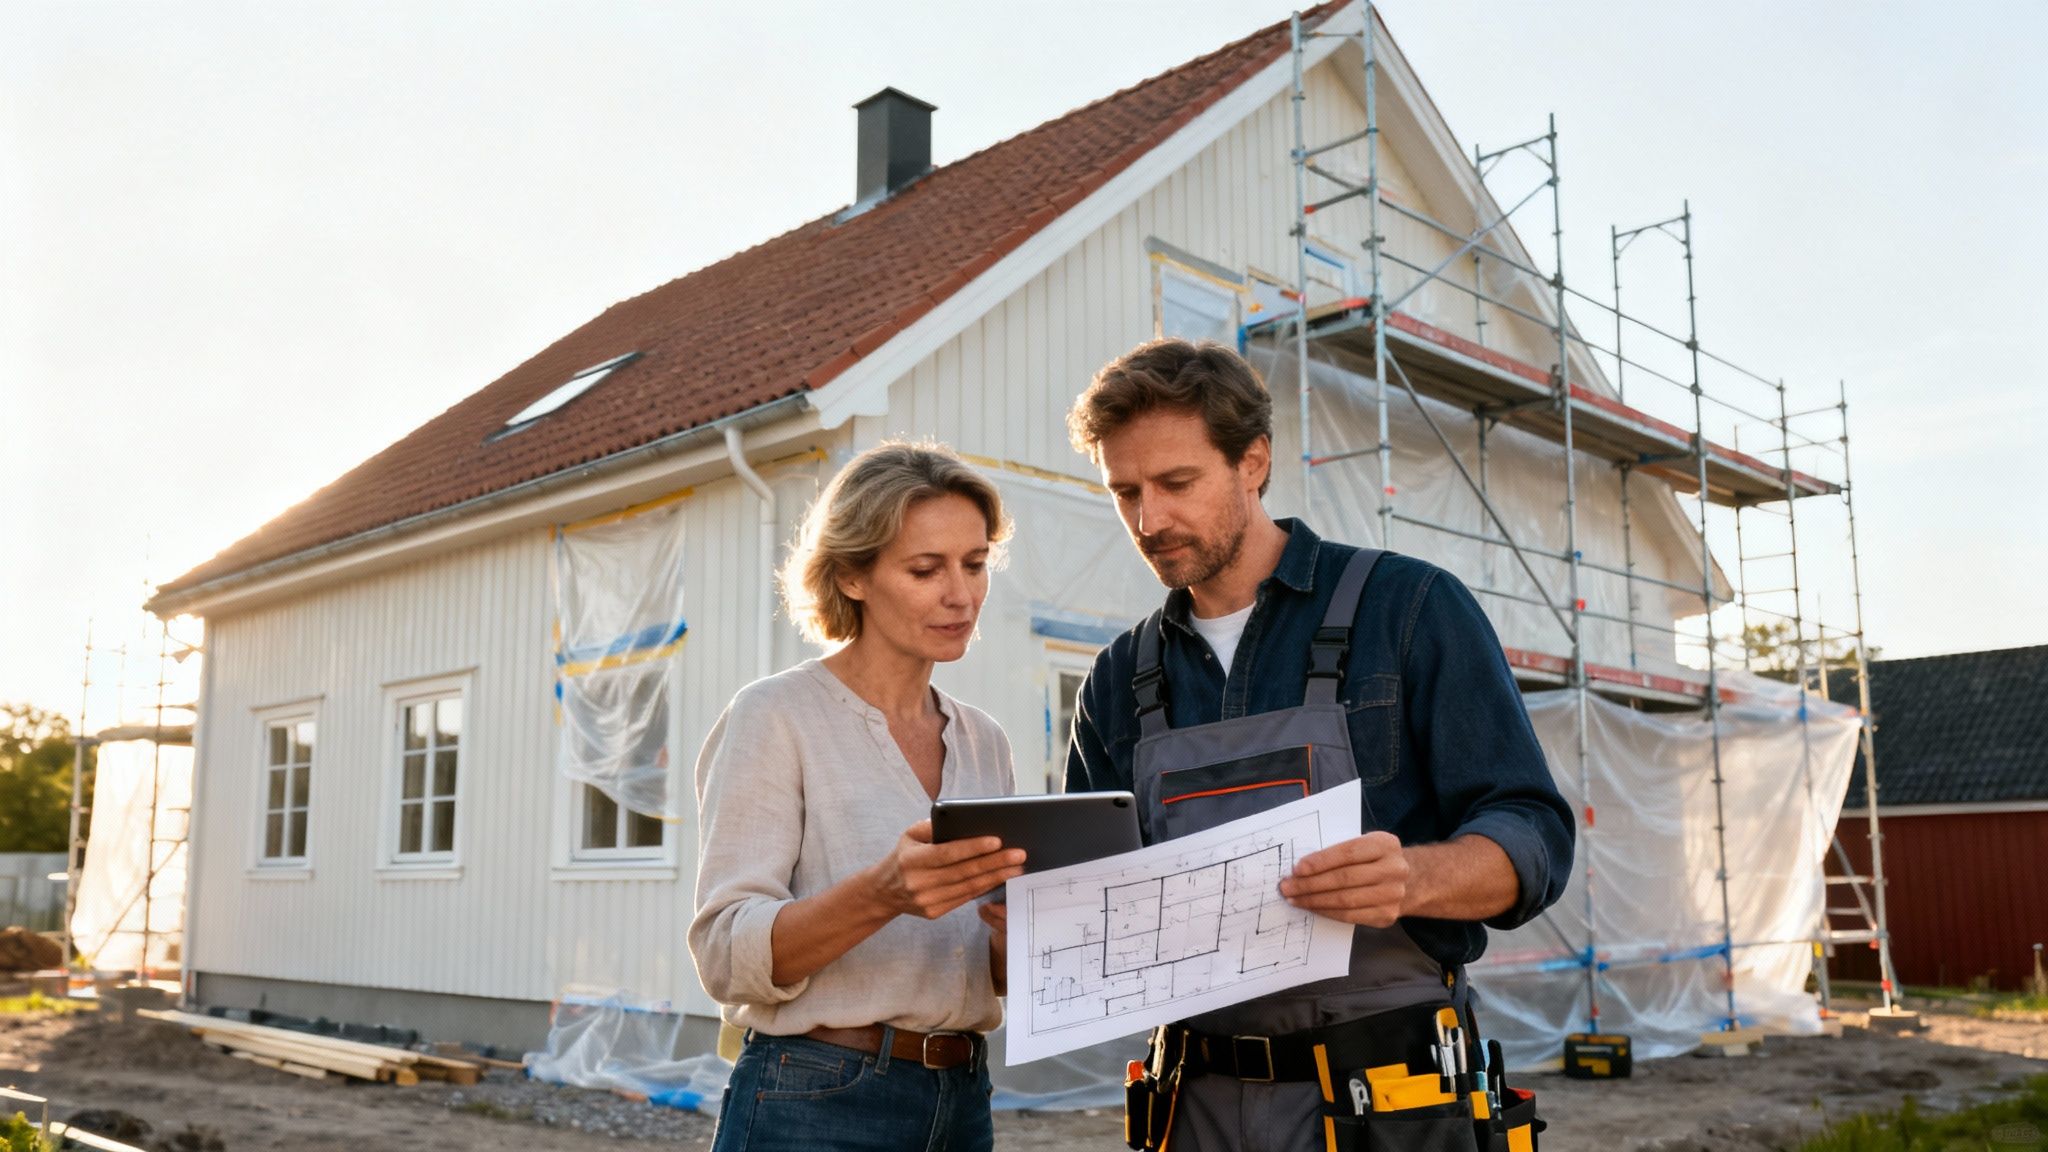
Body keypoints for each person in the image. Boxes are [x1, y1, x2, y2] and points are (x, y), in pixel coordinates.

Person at [1063, 339, 1576, 1152]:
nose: (1149, 519)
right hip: (1193, 1105)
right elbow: (1090, 901)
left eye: (1176, 483)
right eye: (1125, 493)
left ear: (1253, 462)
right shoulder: (1118, 678)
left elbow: (1535, 833)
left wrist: (1412, 877)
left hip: (1392, 1101)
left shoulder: (1408, 610)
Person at [690, 440, 1025, 1152]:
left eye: (974, 563)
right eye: (925, 569)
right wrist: (882, 893)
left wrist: (1011, 930)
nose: (960, 594)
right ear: (851, 576)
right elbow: (725, 955)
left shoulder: (984, 741)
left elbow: (989, 973)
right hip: (816, 1095)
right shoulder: (774, 716)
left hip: (963, 1101)